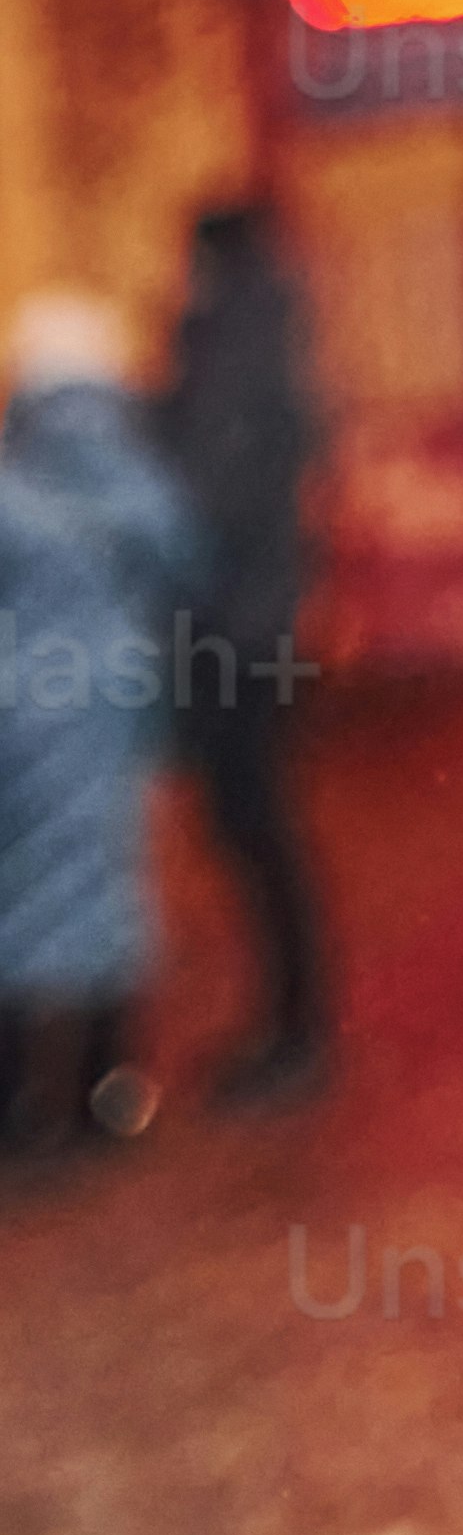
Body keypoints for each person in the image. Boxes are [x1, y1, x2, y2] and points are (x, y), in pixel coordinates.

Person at [0, 293, 198, 1163]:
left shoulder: (17, 480)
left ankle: (21, 1104)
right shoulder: (138, 478)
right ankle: (105, 1088)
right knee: (109, 886)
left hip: (17, 705)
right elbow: (187, 557)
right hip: (111, 704)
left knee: (18, 894)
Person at [159, 191, 332, 1102]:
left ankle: (291, 1035)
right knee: (257, 829)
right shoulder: (271, 333)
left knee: (253, 827)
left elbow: (206, 496)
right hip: (261, 620)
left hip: (233, 628)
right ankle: (292, 1025)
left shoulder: (227, 344)